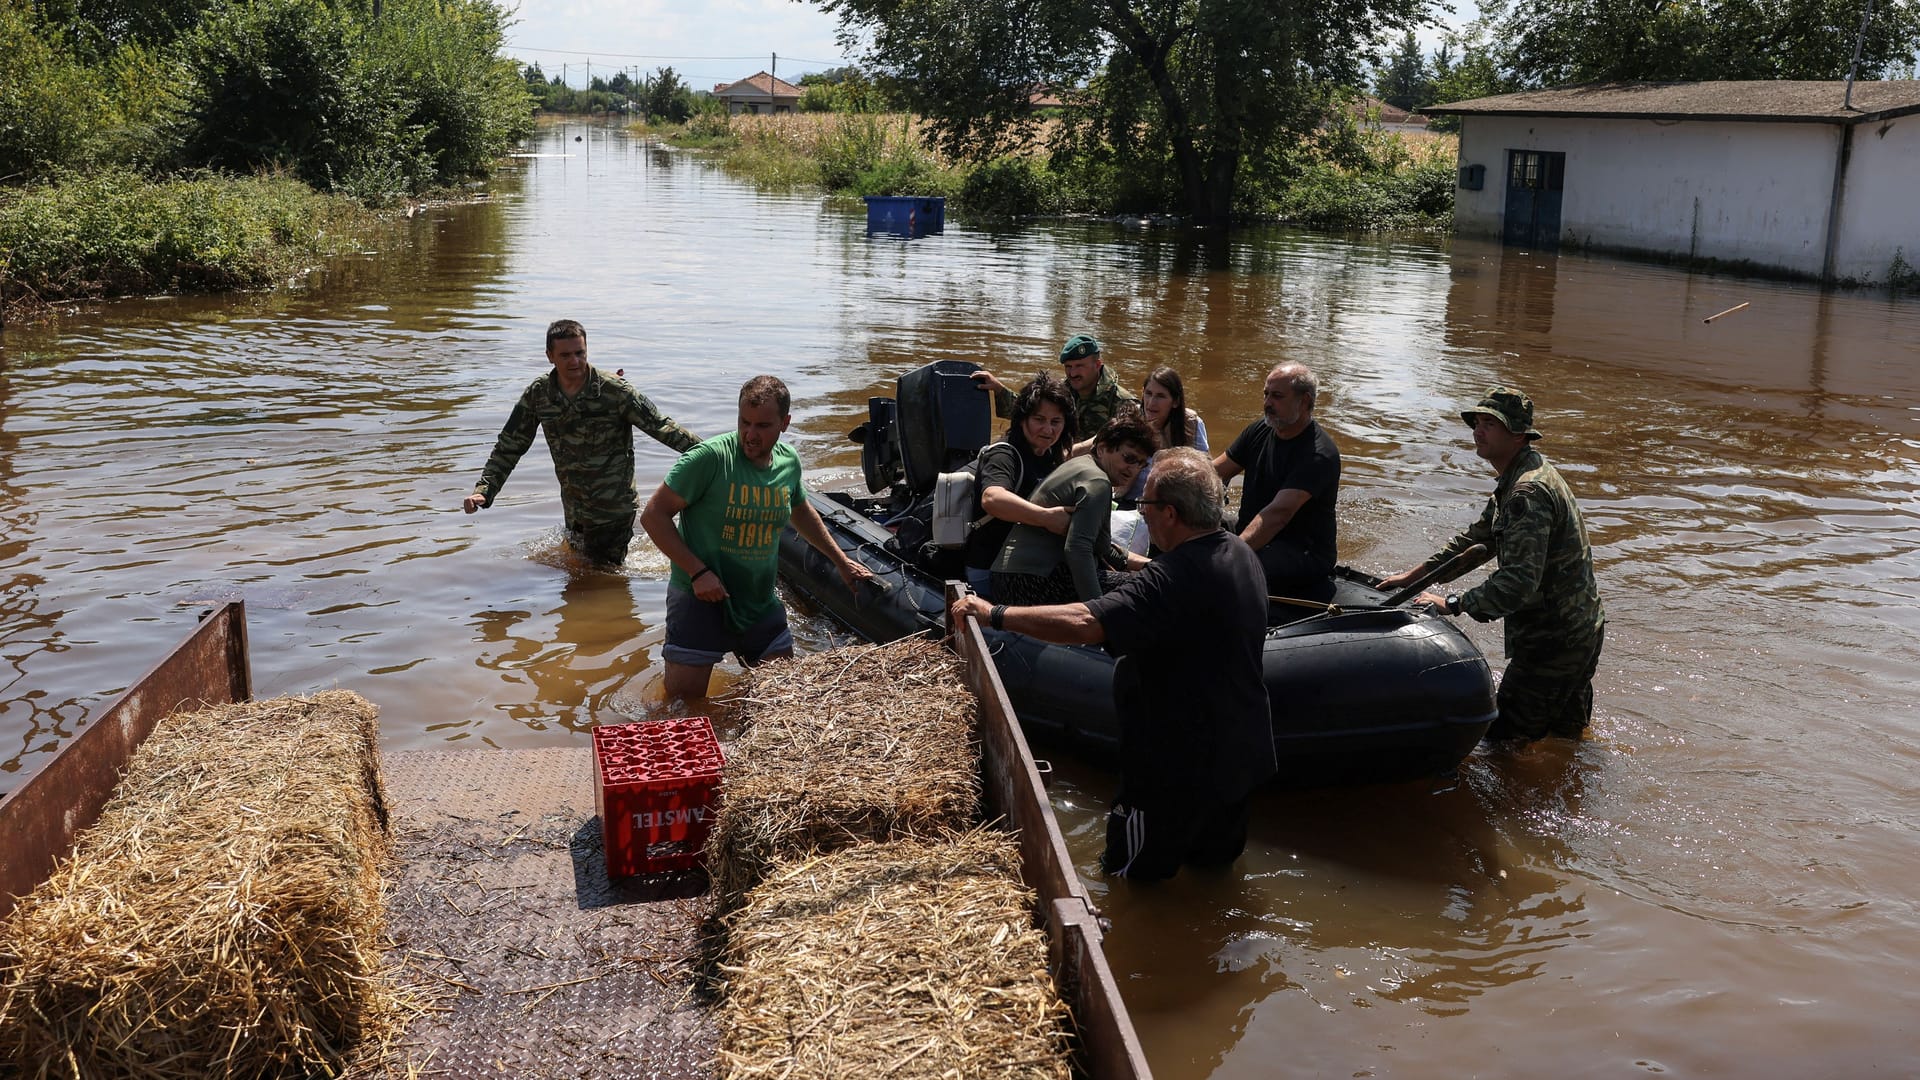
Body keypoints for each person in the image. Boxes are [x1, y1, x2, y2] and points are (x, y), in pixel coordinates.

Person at [952, 447, 1274, 881]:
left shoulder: (1171, 577)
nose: (1143, 514)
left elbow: (1085, 621)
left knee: (1132, 882)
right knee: (1212, 876)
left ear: (1172, 514)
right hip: (1238, 754)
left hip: (1173, 769)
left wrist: (995, 613)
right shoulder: (1240, 553)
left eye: (1146, 506)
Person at [1378, 387, 1606, 743]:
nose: (1477, 432)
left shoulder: (1526, 494)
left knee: (1504, 743)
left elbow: (1517, 582)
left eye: (1489, 424)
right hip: (1580, 628)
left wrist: (1453, 604)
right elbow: (1475, 542)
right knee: (1565, 739)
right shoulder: (1522, 476)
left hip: (1553, 640)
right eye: (1476, 423)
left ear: (1517, 434)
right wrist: (1414, 576)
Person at [638, 375, 873, 703]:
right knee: (682, 703)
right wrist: (697, 572)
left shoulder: (788, 462)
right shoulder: (708, 459)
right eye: (744, 422)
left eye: (762, 426)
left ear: (785, 423)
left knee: (782, 698)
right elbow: (653, 515)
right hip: (701, 598)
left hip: (758, 599)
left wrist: (841, 561)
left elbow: (800, 511)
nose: (750, 435)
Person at [463, 319, 699, 567]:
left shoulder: (615, 392)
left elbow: (664, 428)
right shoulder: (539, 394)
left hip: (613, 511)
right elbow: (509, 445)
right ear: (549, 356)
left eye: (580, 353)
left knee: (595, 578)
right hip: (574, 512)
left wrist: (722, 453)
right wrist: (484, 491)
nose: (574, 361)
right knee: (582, 581)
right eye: (565, 355)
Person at [991, 412, 1156, 605]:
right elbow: (1079, 549)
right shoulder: (1098, 482)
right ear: (1102, 449)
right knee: (1143, 588)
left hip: (1006, 579)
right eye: (1129, 458)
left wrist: (1151, 566)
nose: (1134, 469)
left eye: (1141, 464)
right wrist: (1095, 612)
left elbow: (1098, 546)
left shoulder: (1081, 464)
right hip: (1028, 583)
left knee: (1140, 578)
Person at [1213, 362, 1341, 602]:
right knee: (1184, 521)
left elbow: (1277, 515)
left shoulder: (1318, 453)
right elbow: (1214, 472)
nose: (1267, 403)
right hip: (1255, 531)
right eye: (1266, 394)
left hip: (1301, 552)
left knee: (1234, 572)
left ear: (1304, 401)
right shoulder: (1259, 430)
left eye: (1277, 396)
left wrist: (1232, 555)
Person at [962, 373, 1079, 599]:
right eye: (1039, 419)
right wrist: (1047, 517)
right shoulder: (1005, 454)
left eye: (1056, 422)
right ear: (1022, 419)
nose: (1048, 430)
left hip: (1026, 564)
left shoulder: (1049, 454)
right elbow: (992, 499)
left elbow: (1073, 454)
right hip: (989, 569)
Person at [972, 333, 1138, 437]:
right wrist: (999, 389)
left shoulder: (1122, 402)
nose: (1072, 373)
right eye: (1068, 367)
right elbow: (1030, 411)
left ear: (1097, 364)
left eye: (1079, 366)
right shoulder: (1064, 391)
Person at [1121, 366, 1210, 506]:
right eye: (1148, 393)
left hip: (1172, 506)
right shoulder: (1130, 419)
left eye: (1160, 396)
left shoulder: (1192, 424)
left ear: (1175, 402)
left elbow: (1205, 472)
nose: (1151, 403)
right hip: (1130, 503)